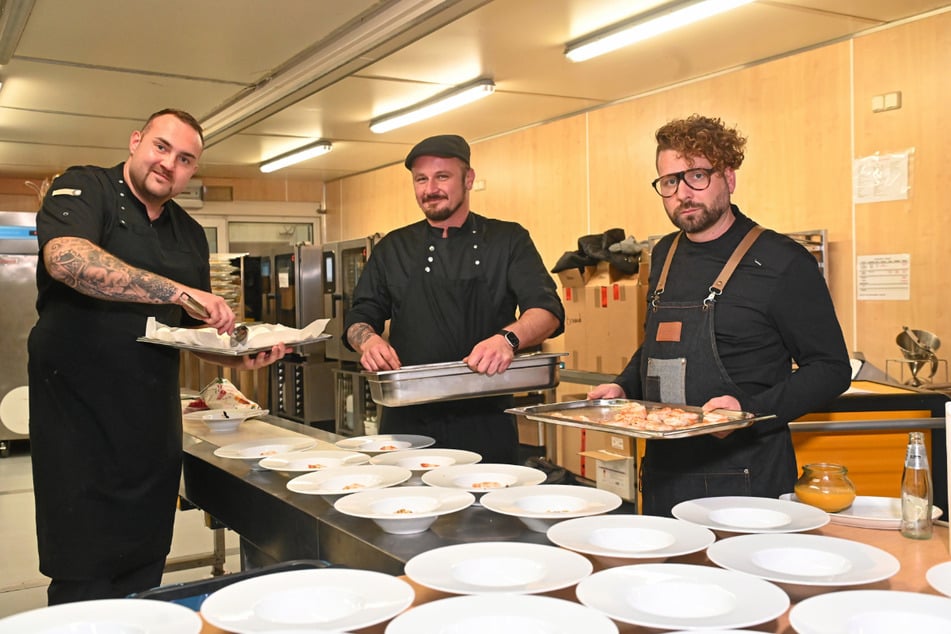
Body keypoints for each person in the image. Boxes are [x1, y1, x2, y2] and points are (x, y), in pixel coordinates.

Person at [28, 109, 289, 605]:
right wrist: (175, 291)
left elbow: (191, 330)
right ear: (136, 141)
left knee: (144, 574)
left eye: (186, 159)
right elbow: (66, 259)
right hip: (76, 428)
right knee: (82, 580)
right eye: (162, 147)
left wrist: (238, 358)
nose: (170, 164)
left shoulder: (188, 234)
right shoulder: (86, 188)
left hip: (150, 429)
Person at [588, 114, 851, 516]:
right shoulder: (663, 255)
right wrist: (622, 386)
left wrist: (749, 413)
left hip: (747, 478)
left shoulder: (781, 261)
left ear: (728, 178)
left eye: (696, 175)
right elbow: (659, 345)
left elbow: (831, 368)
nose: (682, 193)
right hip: (663, 471)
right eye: (670, 181)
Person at [344, 134, 565, 464]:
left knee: (486, 512)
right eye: (421, 179)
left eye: (442, 176)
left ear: (469, 179)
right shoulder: (393, 247)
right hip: (407, 423)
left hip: (486, 420)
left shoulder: (507, 240)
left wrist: (507, 339)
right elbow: (360, 314)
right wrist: (368, 341)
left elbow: (548, 311)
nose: (429, 188)